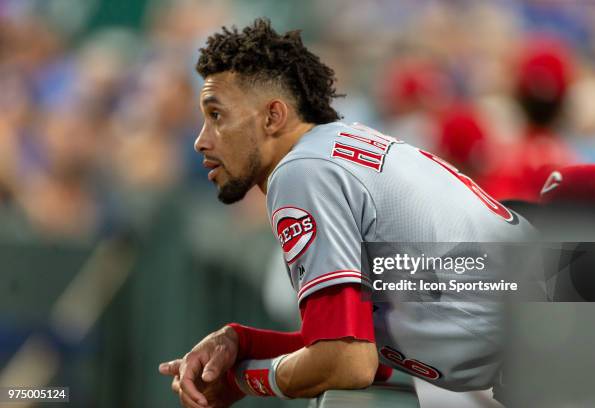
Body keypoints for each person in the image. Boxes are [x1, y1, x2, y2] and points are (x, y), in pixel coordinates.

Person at [158, 19, 532, 407]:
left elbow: (348, 363)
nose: (201, 140)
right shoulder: (334, 147)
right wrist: (245, 344)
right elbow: (355, 346)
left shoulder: (300, 171)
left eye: (216, 115)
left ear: (272, 116)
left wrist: (245, 379)